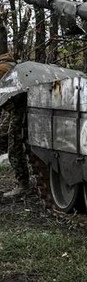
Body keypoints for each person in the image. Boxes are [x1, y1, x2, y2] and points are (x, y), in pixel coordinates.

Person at [0, 51, 29, 198]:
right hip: (16, 109)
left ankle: (23, 184)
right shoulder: (11, 65)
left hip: (19, 109)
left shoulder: (3, 67)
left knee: (14, 148)